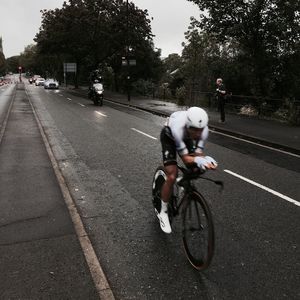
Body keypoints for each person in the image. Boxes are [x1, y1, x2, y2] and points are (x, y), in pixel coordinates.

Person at [157, 107, 218, 233]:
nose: (198, 134)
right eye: (195, 130)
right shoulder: (178, 129)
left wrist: (205, 160)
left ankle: (183, 181)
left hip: (186, 137)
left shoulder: (203, 130)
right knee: (172, 175)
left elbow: (198, 154)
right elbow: (186, 158)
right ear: (188, 125)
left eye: (200, 131)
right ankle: (162, 211)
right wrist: (198, 160)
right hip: (169, 136)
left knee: (197, 168)